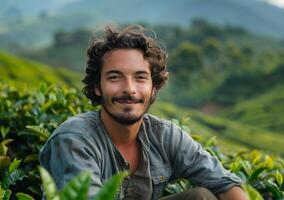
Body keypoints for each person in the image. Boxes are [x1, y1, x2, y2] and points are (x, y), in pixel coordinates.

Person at [39, 25, 248, 200]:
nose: (129, 89)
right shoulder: (74, 139)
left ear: (153, 87)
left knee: (202, 197)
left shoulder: (164, 135)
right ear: (97, 87)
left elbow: (226, 184)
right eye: (114, 77)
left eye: (140, 78)